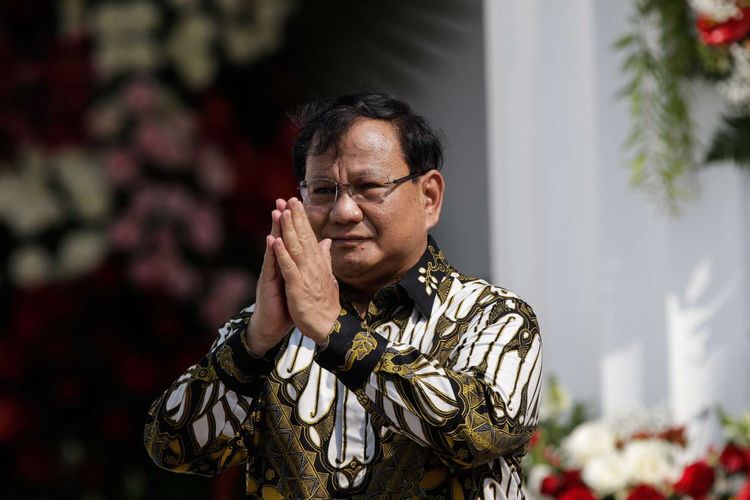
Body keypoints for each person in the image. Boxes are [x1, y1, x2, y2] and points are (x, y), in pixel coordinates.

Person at [144, 93, 542, 499]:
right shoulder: (265, 330)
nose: (344, 211)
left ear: (429, 197)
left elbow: (479, 434)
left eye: (368, 187)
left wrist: (337, 334)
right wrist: (253, 344)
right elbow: (173, 448)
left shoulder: (493, 316)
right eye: (322, 190)